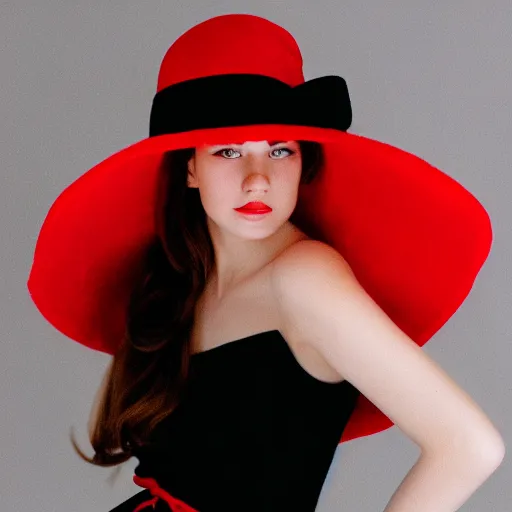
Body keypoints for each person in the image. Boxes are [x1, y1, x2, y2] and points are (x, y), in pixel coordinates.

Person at [27, 13, 503, 512]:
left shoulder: (306, 279)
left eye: (279, 149)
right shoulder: (184, 282)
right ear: (189, 167)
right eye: (229, 151)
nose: (258, 179)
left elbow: (470, 446)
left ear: (304, 160)